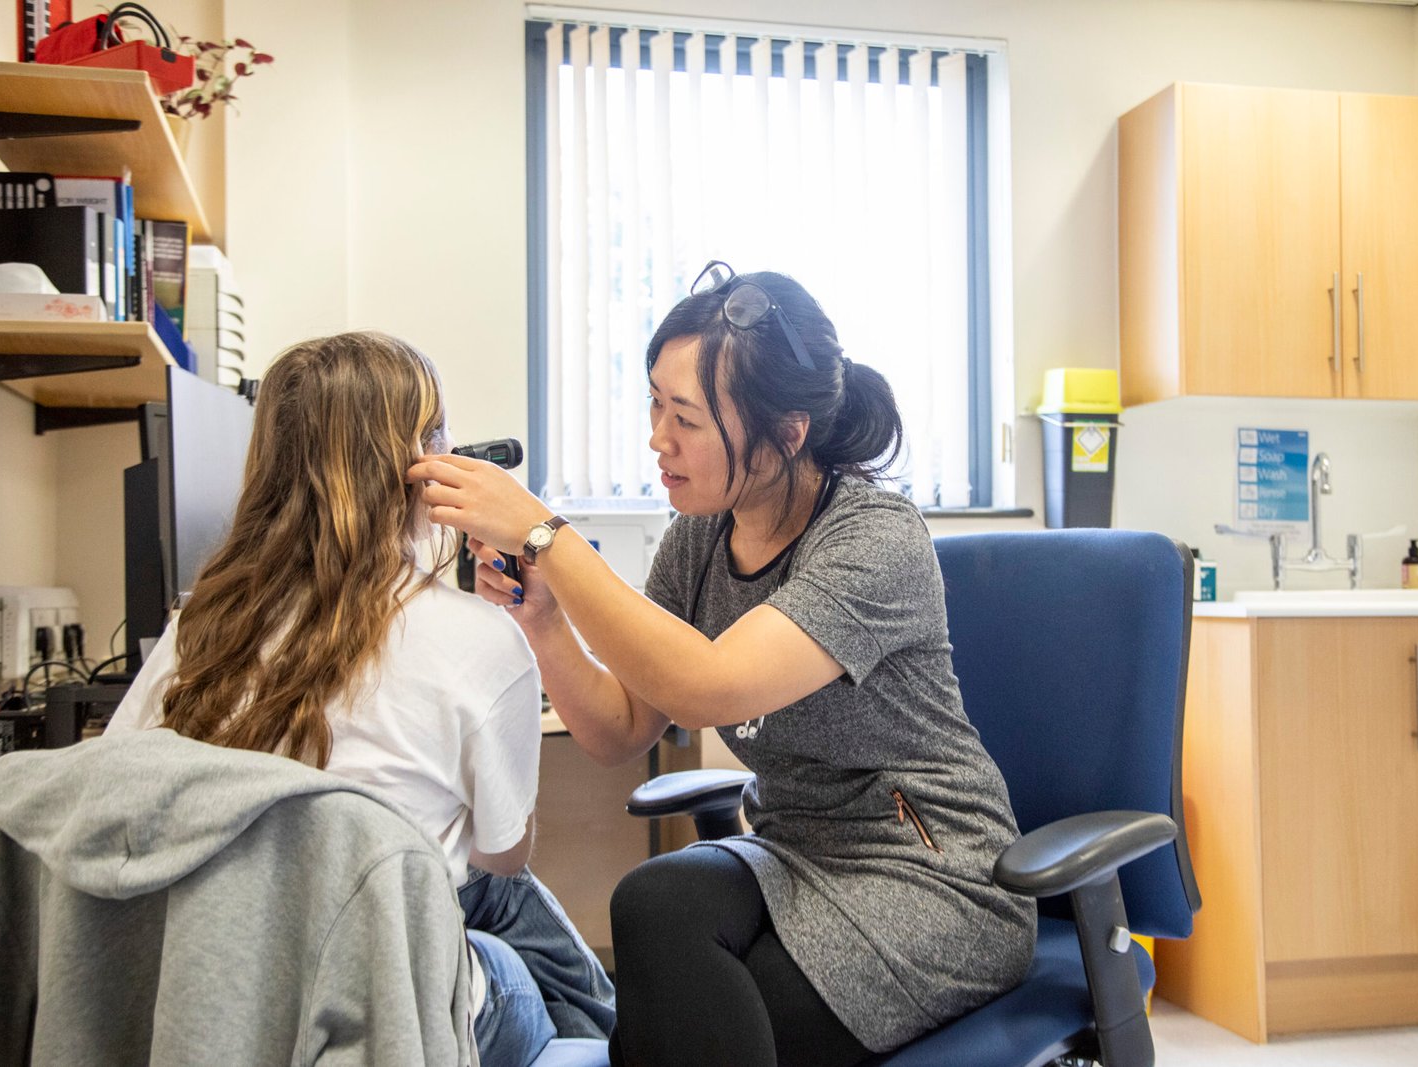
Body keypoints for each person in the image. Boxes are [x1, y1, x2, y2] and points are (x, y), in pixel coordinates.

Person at [409, 264, 1036, 1067]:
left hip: (933, 875)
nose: (656, 438)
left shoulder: (875, 538)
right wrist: (546, 621)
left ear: (788, 433)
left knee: (691, 1021)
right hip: (796, 858)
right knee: (652, 903)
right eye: (654, 404)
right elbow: (623, 728)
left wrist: (544, 534)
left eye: (687, 419)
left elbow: (710, 685)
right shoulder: (700, 537)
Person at [105, 331, 614, 1067]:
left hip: (229, 983)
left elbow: (114, 789)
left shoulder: (194, 632)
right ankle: (611, 1036)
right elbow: (500, 855)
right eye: (439, 433)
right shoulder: (479, 641)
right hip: (394, 1004)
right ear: (416, 466)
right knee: (512, 922)